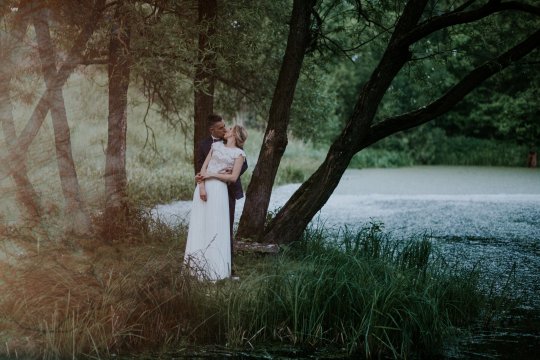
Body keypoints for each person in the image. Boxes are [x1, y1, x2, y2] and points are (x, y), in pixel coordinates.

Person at [184, 124, 248, 280]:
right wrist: (201, 187)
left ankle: (216, 271)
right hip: (204, 188)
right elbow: (203, 170)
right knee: (200, 225)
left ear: (235, 135)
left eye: (230, 129)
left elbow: (233, 177)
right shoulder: (215, 145)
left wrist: (212, 175)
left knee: (216, 226)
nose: (227, 130)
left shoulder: (239, 154)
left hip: (220, 190)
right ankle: (195, 269)